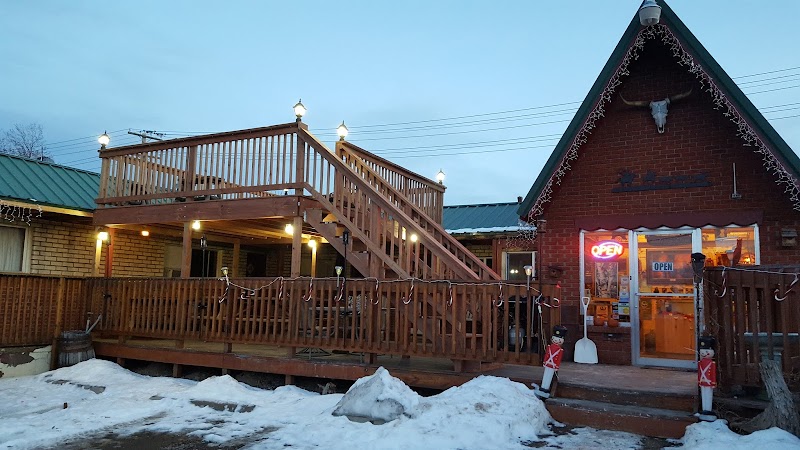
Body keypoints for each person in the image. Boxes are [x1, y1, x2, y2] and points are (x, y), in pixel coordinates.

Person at [533, 325, 567, 400]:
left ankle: (546, 388)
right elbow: (547, 354)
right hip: (548, 363)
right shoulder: (549, 347)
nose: (556, 341)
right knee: (546, 375)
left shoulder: (560, 350)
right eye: (555, 338)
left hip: (553, 365)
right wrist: (545, 362)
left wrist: (556, 366)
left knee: (549, 376)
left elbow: (558, 359)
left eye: (559, 339)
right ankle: (543, 387)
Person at [697, 336, 717, 421]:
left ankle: (708, 408)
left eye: (706, 351)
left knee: (708, 395)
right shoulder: (700, 362)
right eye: (702, 351)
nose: (704, 353)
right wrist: (699, 381)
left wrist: (713, 382)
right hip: (703, 381)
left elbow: (712, 373)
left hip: (709, 382)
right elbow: (699, 372)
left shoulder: (711, 363)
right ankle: (704, 408)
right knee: (704, 394)